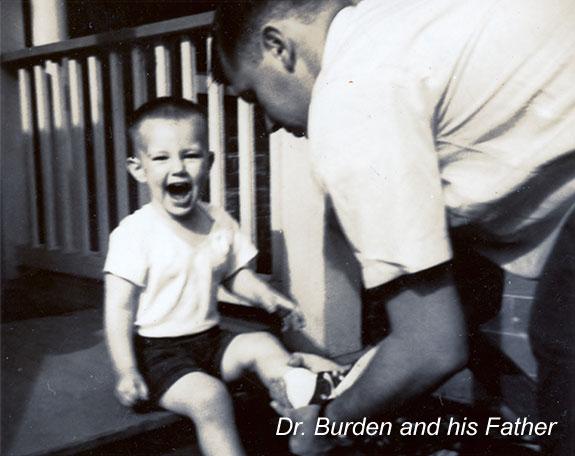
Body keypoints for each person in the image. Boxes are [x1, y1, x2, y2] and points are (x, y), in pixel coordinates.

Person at [212, 0, 575, 454]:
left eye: (252, 96)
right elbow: (457, 304)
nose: (266, 125)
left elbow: (432, 347)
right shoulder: (398, 24)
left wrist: (324, 429)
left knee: (565, 349)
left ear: (278, 46)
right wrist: (354, 380)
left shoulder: (347, 97)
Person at [103, 97, 345, 456]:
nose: (179, 168)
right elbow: (119, 310)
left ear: (210, 162)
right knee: (210, 398)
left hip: (211, 341)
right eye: (161, 158)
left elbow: (235, 275)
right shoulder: (134, 234)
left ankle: (305, 414)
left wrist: (267, 297)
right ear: (138, 169)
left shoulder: (217, 221)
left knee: (263, 344)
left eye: (191, 154)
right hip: (157, 355)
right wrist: (126, 370)